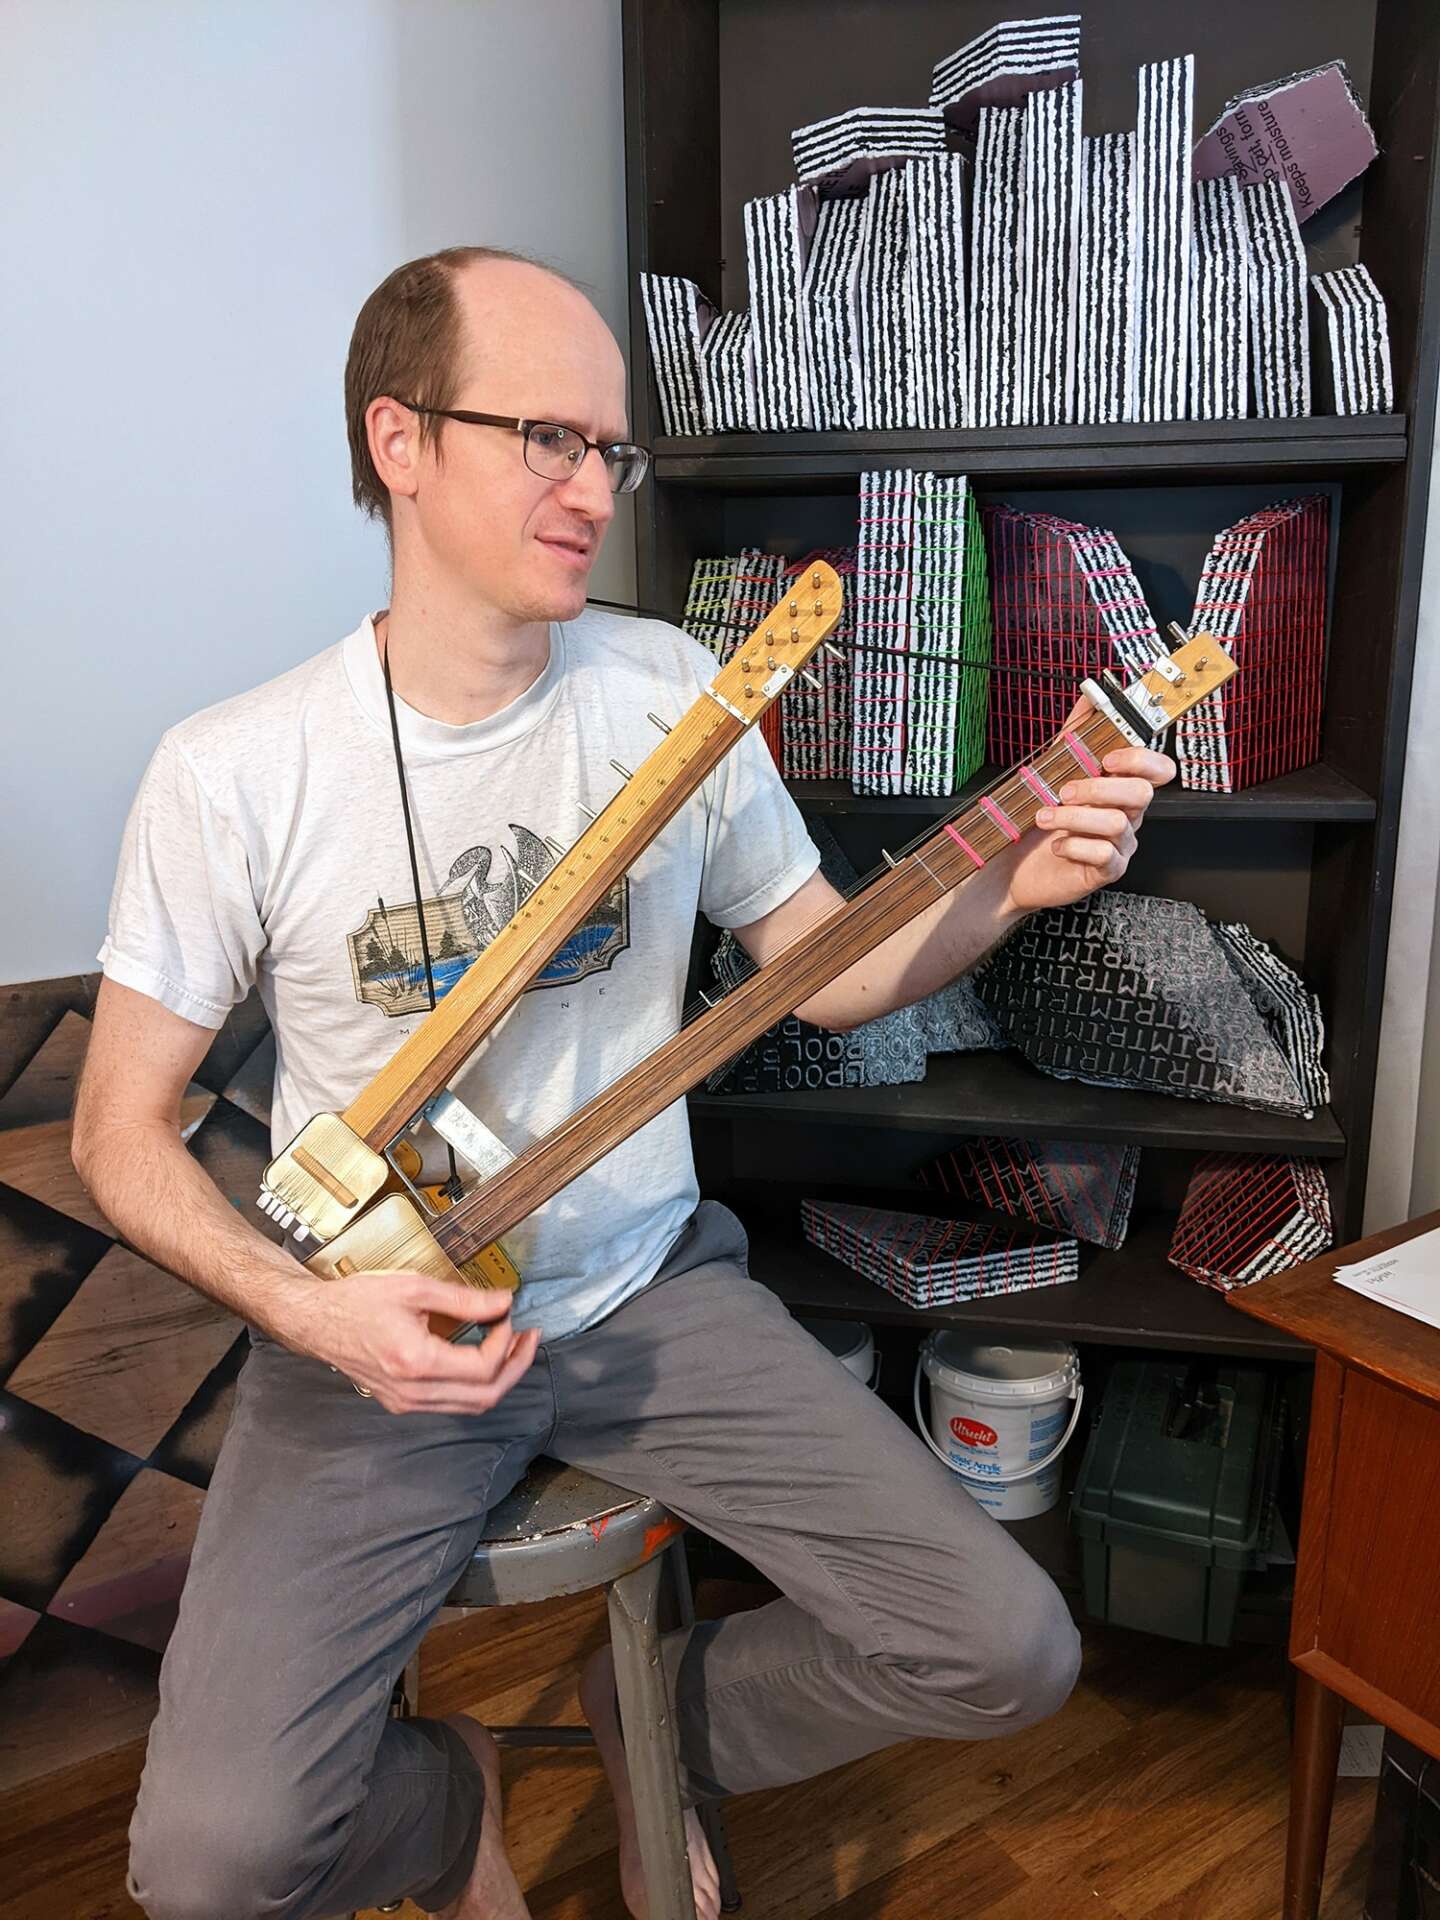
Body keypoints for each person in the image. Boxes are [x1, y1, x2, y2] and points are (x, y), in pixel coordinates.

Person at [72, 244, 1176, 1920]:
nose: (594, 489)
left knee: (1008, 1644)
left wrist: (1009, 887)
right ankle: (445, 1804)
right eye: (547, 439)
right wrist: (310, 1316)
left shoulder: (676, 694)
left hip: (651, 1294)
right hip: (376, 1333)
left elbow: (829, 971)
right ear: (398, 439)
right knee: (210, 1866)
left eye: (609, 449)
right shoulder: (236, 773)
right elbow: (116, 1132)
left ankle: (659, 1715)